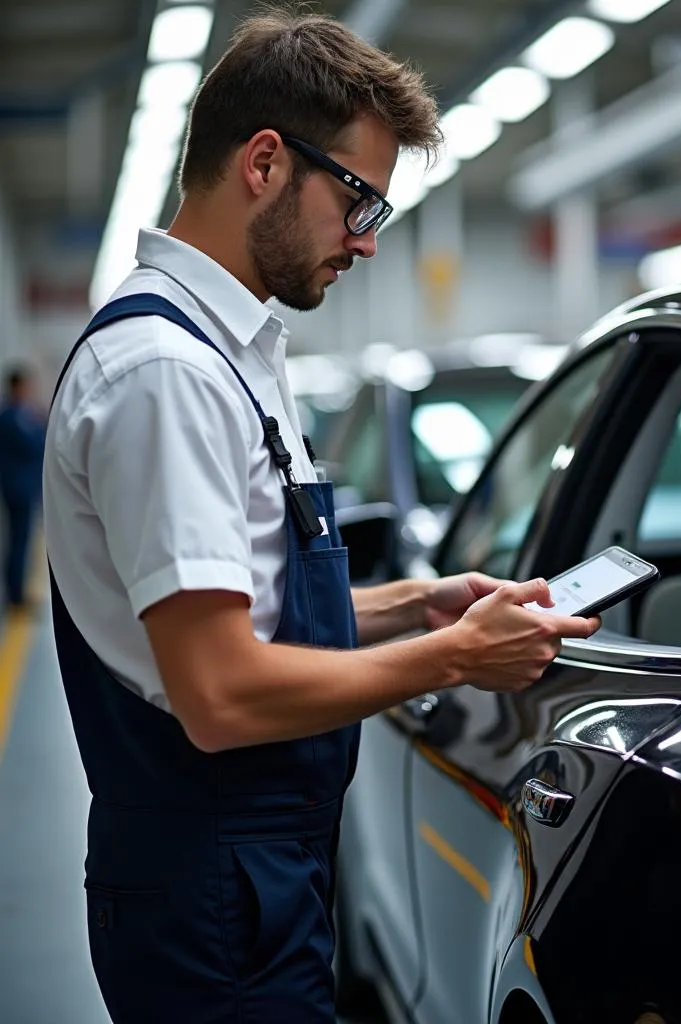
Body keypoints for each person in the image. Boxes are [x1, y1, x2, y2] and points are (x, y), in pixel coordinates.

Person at [42, 11, 599, 1024]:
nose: (364, 242)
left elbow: (251, 600)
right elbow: (218, 690)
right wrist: (458, 658)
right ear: (264, 162)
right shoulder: (167, 374)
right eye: (358, 201)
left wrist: (419, 603)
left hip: (254, 873)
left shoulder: (228, 352)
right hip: (211, 886)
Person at [0, 365, 46, 609]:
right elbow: (36, 444)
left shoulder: (18, 415)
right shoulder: (14, 417)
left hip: (19, 487)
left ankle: (16, 590)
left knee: (21, 541)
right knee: (20, 542)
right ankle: (16, 594)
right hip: (18, 489)